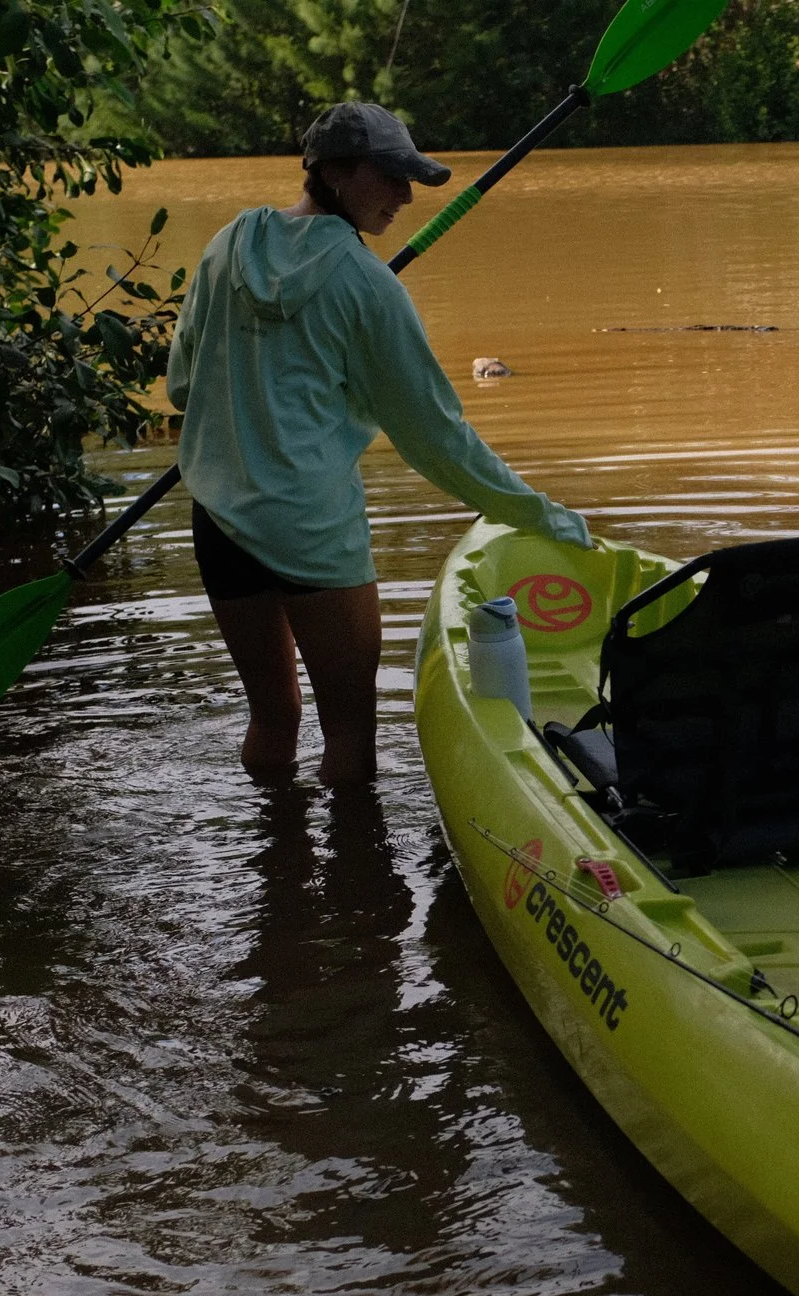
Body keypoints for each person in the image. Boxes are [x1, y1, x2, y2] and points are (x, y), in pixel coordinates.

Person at [166, 102, 590, 785]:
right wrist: (538, 513)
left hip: (218, 523)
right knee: (351, 740)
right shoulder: (368, 285)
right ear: (333, 172)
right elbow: (436, 439)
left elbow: (184, 387)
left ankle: (281, 876)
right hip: (312, 529)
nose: (406, 194)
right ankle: (355, 886)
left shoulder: (227, 244)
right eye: (390, 175)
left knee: (272, 722)